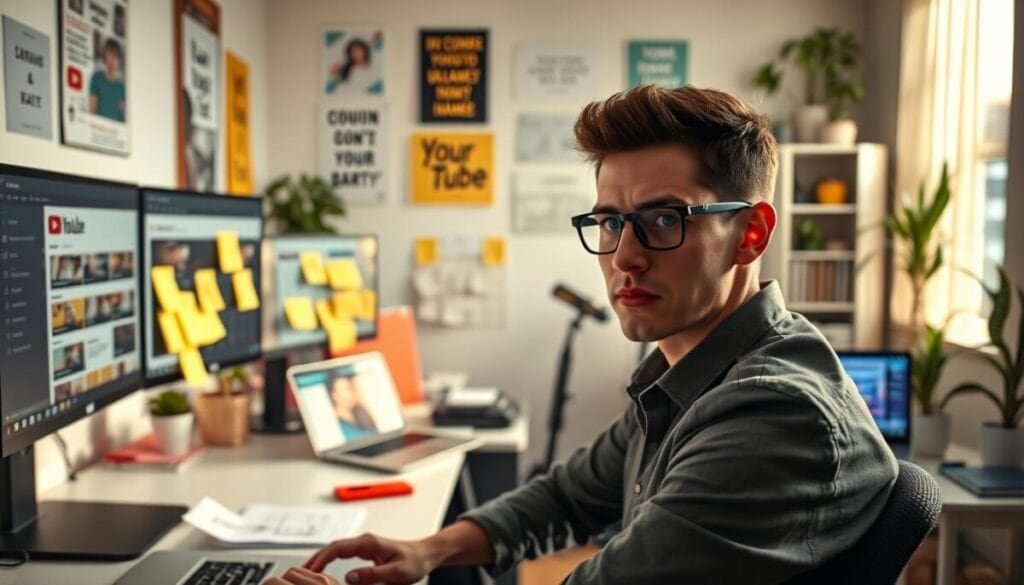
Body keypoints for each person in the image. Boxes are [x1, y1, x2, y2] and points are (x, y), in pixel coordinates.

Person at [267, 85, 898, 585]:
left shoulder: (773, 414)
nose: (624, 256)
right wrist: (426, 549)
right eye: (609, 222)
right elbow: (568, 495)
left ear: (751, 234)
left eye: (661, 219)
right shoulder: (692, 372)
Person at [329, 374, 377, 439]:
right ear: (334, 395)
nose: (349, 394)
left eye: (349, 389)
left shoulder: (362, 413)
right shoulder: (335, 424)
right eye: (344, 390)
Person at [88, 38, 126, 122]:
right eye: (110, 54)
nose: (112, 59)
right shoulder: (97, 77)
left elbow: (124, 117)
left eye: (115, 56)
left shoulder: (121, 87)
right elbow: (91, 109)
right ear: (105, 55)